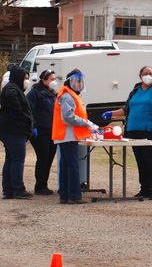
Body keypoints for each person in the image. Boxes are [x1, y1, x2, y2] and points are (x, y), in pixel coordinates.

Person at [101, 66, 152, 199]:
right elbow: (126, 109)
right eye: (145, 73)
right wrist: (111, 113)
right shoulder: (135, 90)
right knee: (141, 161)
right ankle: (145, 189)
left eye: (150, 73)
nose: (148, 75)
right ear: (140, 76)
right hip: (134, 130)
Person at [52, 69, 98, 204]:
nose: (79, 84)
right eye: (77, 81)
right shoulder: (67, 95)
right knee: (72, 166)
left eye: (80, 81)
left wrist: (87, 123)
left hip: (68, 135)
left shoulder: (72, 95)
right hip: (67, 136)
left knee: (67, 166)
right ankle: (74, 196)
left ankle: (65, 196)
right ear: (70, 81)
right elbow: (68, 117)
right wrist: (86, 124)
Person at [0, 65, 33, 199]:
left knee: (11, 158)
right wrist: (23, 119)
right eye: (26, 78)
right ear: (19, 78)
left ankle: (8, 189)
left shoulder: (15, 88)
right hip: (13, 131)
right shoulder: (12, 89)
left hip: (11, 130)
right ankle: (17, 189)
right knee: (17, 159)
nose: (27, 81)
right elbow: (15, 106)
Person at [26, 69, 58, 195]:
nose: (54, 82)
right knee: (43, 158)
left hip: (52, 131)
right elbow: (30, 111)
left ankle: (44, 184)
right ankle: (40, 185)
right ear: (44, 80)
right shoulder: (35, 93)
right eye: (51, 79)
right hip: (40, 131)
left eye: (54, 79)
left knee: (49, 158)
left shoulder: (52, 94)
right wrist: (33, 127)